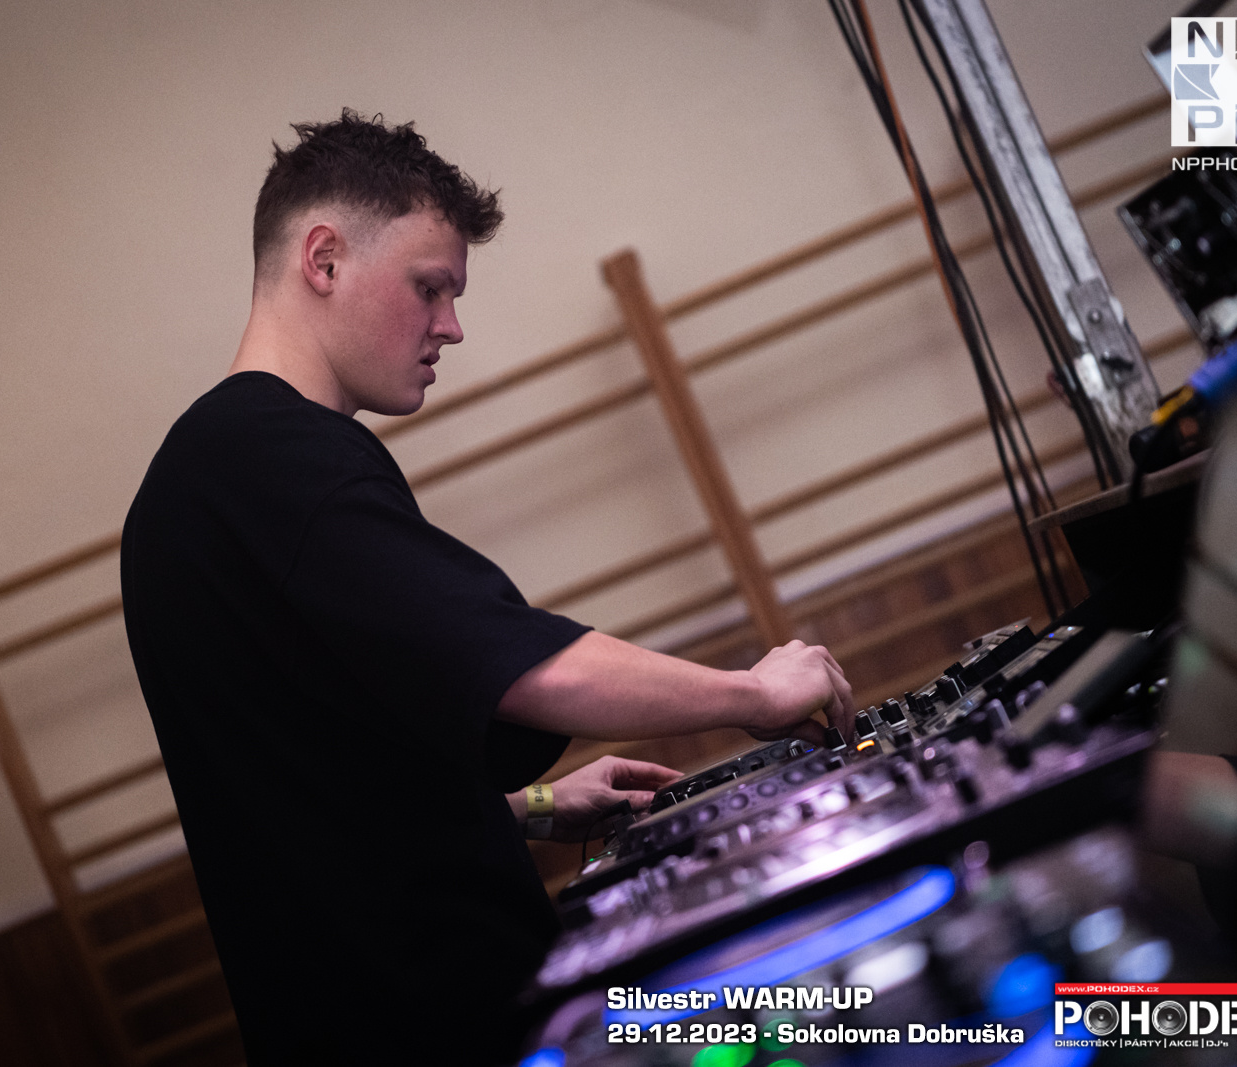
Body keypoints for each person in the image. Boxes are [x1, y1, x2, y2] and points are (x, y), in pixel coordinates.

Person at [120, 110, 856, 1066]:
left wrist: (536, 806)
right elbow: (519, 664)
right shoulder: (275, 462)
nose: (451, 326)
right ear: (324, 259)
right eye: (429, 287)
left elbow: (317, 800)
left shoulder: (201, 478)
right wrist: (752, 693)